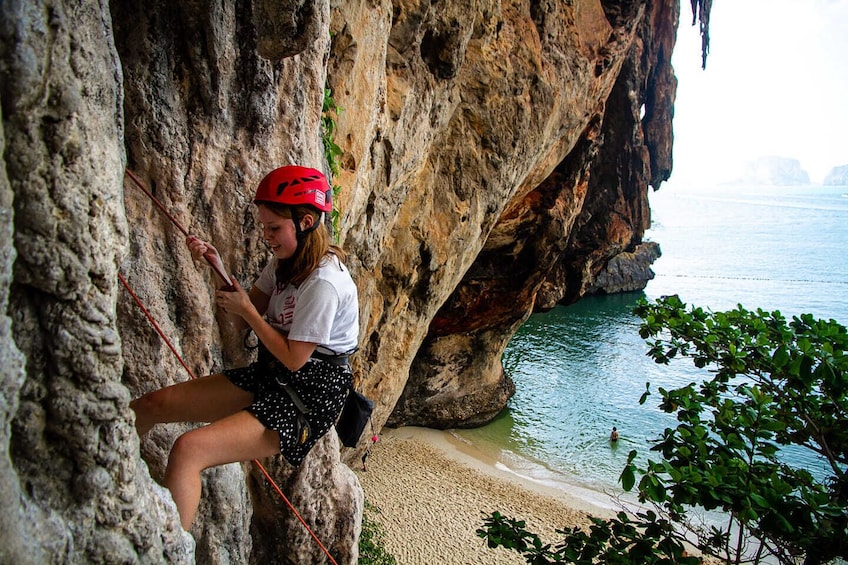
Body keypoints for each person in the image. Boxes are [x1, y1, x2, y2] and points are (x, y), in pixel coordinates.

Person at [131, 165, 359, 529]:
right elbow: (241, 315)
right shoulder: (284, 262)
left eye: (274, 228)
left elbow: (295, 358)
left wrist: (250, 312)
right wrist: (216, 267)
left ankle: (168, 550)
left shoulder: (324, 284)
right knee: (150, 405)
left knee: (189, 450)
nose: (266, 236)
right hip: (275, 374)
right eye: (265, 227)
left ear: (305, 222)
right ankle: (114, 468)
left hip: (308, 396)